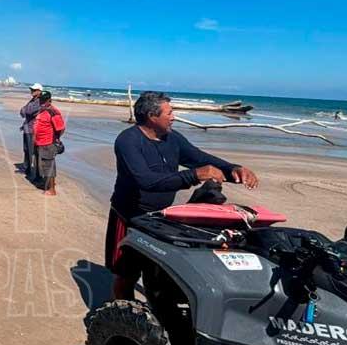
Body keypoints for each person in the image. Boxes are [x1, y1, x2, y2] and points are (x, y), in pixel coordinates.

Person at [108, 91, 260, 300]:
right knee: (126, 275)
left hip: (161, 218)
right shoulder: (128, 141)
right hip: (129, 217)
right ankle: (121, 313)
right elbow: (147, 181)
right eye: (169, 113)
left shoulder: (173, 138)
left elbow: (199, 158)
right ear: (152, 116)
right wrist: (194, 175)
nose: (174, 117)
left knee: (157, 272)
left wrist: (233, 169)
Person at [33, 91, 65, 196]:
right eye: (40, 100)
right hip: (40, 143)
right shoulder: (42, 110)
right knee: (44, 165)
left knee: (49, 166)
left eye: (43, 100)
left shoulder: (53, 112)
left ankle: (52, 190)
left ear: (49, 100)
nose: (41, 102)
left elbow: (61, 128)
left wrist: (56, 139)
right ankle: (46, 184)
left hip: (48, 143)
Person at [17, 83, 43, 178]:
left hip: (32, 129)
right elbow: (22, 112)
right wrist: (25, 110)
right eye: (32, 89)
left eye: (34, 90)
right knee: (26, 149)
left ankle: (30, 170)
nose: (32, 91)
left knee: (31, 150)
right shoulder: (32, 100)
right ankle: (27, 168)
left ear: (39, 91)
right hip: (27, 128)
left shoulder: (39, 101)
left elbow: (27, 111)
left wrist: (25, 110)